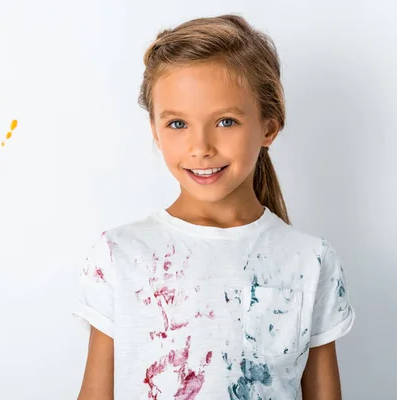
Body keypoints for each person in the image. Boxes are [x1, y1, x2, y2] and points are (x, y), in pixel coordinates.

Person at [72, 13, 355, 400]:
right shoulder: (119, 255)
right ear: (155, 130)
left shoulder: (311, 261)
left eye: (225, 121)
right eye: (177, 124)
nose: (201, 146)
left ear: (268, 127)